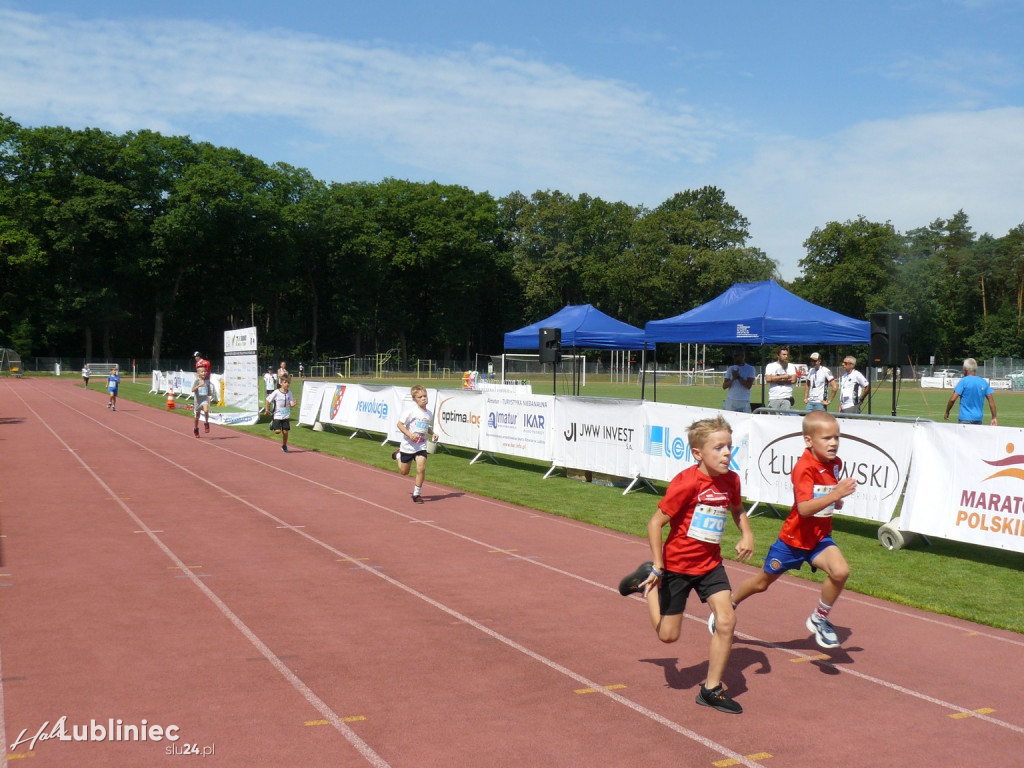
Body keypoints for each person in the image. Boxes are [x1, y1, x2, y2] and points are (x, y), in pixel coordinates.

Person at [617, 415, 754, 714]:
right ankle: (648, 586)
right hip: (676, 566)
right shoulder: (687, 483)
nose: (727, 453)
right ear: (698, 453)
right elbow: (655, 524)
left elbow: (737, 509)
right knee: (668, 636)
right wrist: (657, 565)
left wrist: (747, 533)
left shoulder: (731, 479)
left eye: (729, 447)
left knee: (727, 621)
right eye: (718, 448)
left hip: (710, 565)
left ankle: (711, 689)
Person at [711, 411, 857, 650]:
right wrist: (836, 494)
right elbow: (805, 508)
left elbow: (822, 497)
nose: (833, 443)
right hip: (792, 541)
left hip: (819, 539)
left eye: (837, 438)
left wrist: (834, 500)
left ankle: (819, 618)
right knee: (761, 583)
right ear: (809, 440)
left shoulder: (835, 465)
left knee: (840, 571)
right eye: (827, 438)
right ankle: (730, 604)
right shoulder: (804, 467)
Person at [392, 385, 436, 504]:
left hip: (420, 446)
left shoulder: (429, 413)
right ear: (415, 399)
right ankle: (398, 455)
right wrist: (410, 434)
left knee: (421, 467)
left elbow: (425, 427)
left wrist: (433, 433)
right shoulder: (411, 412)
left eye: (425, 396)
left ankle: (417, 494)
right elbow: (400, 424)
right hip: (408, 446)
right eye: (420, 397)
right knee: (404, 472)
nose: (423, 398)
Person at [944, 358, 997, 425]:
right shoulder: (983, 382)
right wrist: (994, 417)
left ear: (966, 370)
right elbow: (991, 401)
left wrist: (947, 412)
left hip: (965, 418)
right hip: (978, 419)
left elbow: (953, 399)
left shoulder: (963, 381)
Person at [265, 375, 297, 452]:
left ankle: (284, 445)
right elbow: (268, 400)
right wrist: (266, 409)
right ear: (281, 383)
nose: (287, 384)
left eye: (288, 382)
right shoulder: (276, 392)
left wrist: (293, 404)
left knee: (285, 432)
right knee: (277, 431)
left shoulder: (290, 393)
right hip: (277, 415)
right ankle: (273, 424)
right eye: (285, 382)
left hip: (286, 415)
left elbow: (291, 403)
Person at [721, 348, 756, 413]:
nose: (735, 358)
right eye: (734, 356)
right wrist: (733, 378)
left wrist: (738, 377)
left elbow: (748, 386)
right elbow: (724, 386)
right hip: (731, 399)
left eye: (737, 356)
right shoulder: (730, 368)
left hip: (744, 400)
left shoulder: (750, 369)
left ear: (743, 356)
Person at [192, 368, 214, 437]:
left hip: (204, 399)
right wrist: (199, 385)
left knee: (206, 410)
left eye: (205, 371)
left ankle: (206, 423)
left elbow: (209, 392)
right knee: (197, 416)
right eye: (202, 372)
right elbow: (193, 390)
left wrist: (210, 396)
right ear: (198, 374)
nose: (204, 373)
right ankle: (196, 428)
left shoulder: (207, 381)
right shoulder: (197, 381)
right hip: (198, 401)